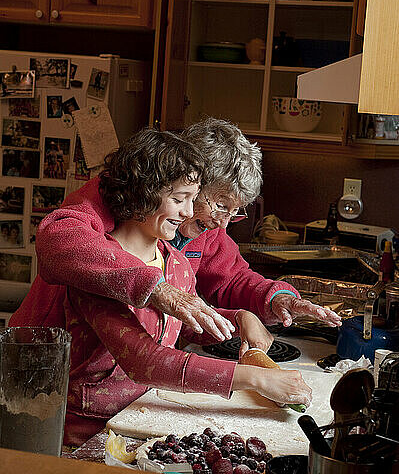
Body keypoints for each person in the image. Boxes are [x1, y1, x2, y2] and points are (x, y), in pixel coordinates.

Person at [15, 129, 312, 445]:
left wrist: (243, 317)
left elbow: (192, 317)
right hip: (66, 409)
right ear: (147, 192)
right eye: (181, 199)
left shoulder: (176, 258)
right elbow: (143, 359)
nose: (192, 212)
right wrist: (254, 379)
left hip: (137, 411)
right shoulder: (102, 259)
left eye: (194, 199)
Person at [11, 119, 340, 346]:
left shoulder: (204, 227)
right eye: (220, 206)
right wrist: (158, 289)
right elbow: (57, 241)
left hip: (119, 378)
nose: (223, 224)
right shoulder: (120, 195)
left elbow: (233, 279)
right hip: (47, 352)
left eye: (235, 212)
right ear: (188, 180)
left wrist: (278, 298)